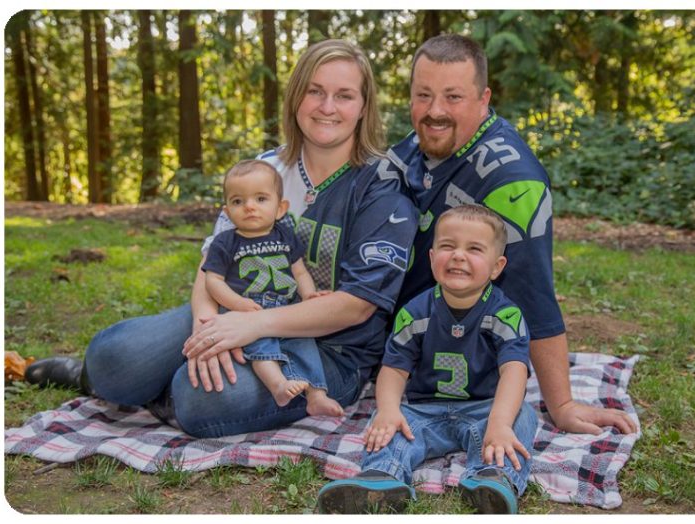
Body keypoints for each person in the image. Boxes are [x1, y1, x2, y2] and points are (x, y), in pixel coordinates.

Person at [27, 39, 418, 437]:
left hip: (329, 351)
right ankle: (118, 381)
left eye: (344, 95)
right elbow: (211, 262)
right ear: (296, 95)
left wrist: (251, 328)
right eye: (314, 90)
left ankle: (164, 392)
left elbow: (355, 307)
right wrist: (206, 324)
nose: (327, 107)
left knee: (200, 397)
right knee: (114, 357)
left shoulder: (382, 186)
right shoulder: (265, 170)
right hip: (234, 311)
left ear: (364, 106)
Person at [387, 34, 637, 437]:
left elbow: (533, 293)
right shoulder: (410, 149)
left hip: (449, 356)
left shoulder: (512, 182)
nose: (435, 111)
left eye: (453, 97)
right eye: (423, 95)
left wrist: (562, 404)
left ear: (483, 99)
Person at [317, 205, 538, 514]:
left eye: (474, 249)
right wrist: (389, 409)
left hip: (484, 408)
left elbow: (514, 371)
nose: (458, 255)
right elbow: (394, 369)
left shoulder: (505, 314)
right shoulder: (415, 312)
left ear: (496, 266)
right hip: (424, 411)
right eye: (448, 246)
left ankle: (492, 479)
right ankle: (382, 477)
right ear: (433, 258)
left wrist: (499, 422)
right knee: (387, 422)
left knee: (522, 416)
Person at [200, 159, 341, 417]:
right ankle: (278, 385)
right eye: (238, 201)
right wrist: (236, 304)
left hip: (286, 307)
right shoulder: (225, 242)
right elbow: (212, 281)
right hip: (247, 309)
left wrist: (309, 295)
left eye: (261, 199)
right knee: (262, 347)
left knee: (304, 343)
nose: (250, 207)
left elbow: (299, 270)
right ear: (227, 212)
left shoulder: (285, 235)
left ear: (280, 208)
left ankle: (316, 394)